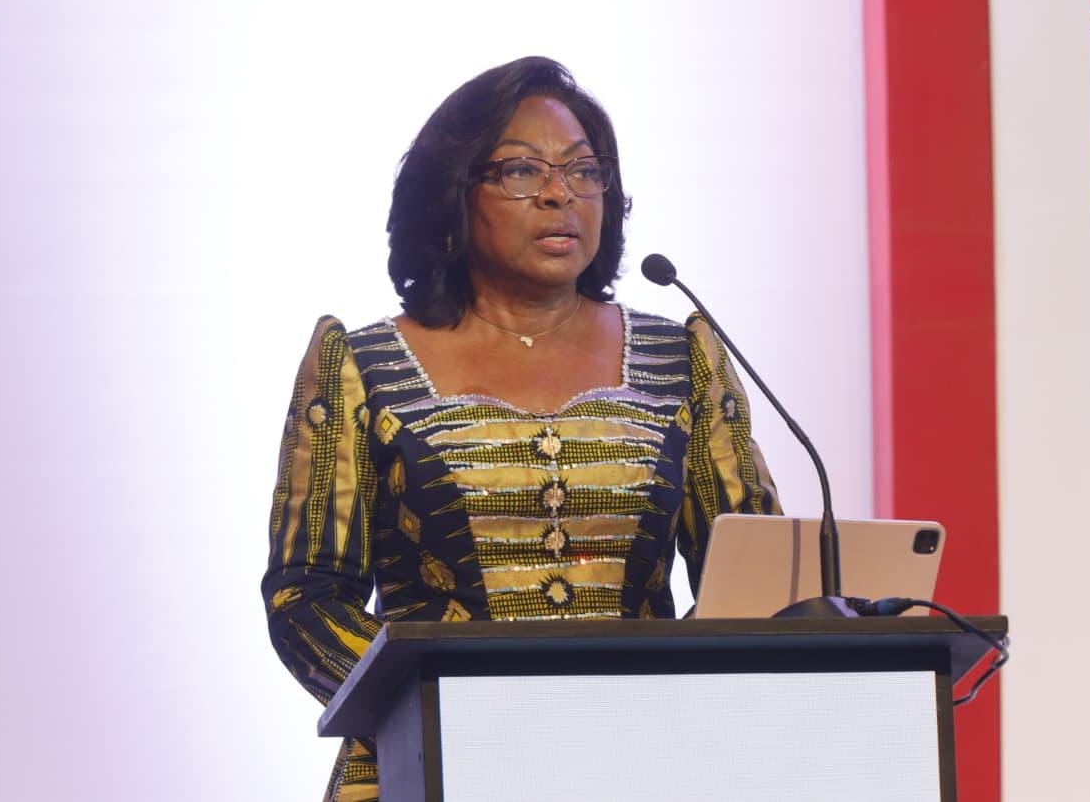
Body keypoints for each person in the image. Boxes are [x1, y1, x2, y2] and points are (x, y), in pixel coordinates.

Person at [261, 56, 781, 802]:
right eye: (520, 171)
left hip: (642, 766)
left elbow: (755, 581)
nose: (558, 193)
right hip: (427, 766)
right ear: (454, 193)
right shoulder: (361, 365)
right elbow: (304, 599)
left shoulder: (682, 358)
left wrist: (656, 705)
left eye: (583, 170)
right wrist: (435, 705)